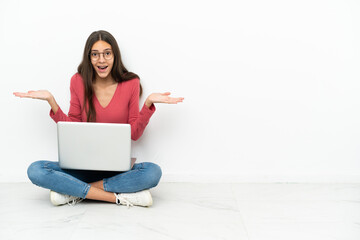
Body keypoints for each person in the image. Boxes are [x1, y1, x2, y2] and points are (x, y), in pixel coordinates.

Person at [13, 30, 184, 207]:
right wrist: (51, 101)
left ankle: (73, 192)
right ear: (89, 58)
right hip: (82, 168)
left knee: (152, 172)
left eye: (107, 54)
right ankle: (118, 197)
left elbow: (134, 134)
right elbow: (73, 126)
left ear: (115, 56)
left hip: (117, 171)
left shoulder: (131, 83)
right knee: (36, 170)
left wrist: (148, 104)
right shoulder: (78, 81)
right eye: (95, 54)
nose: (101, 60)